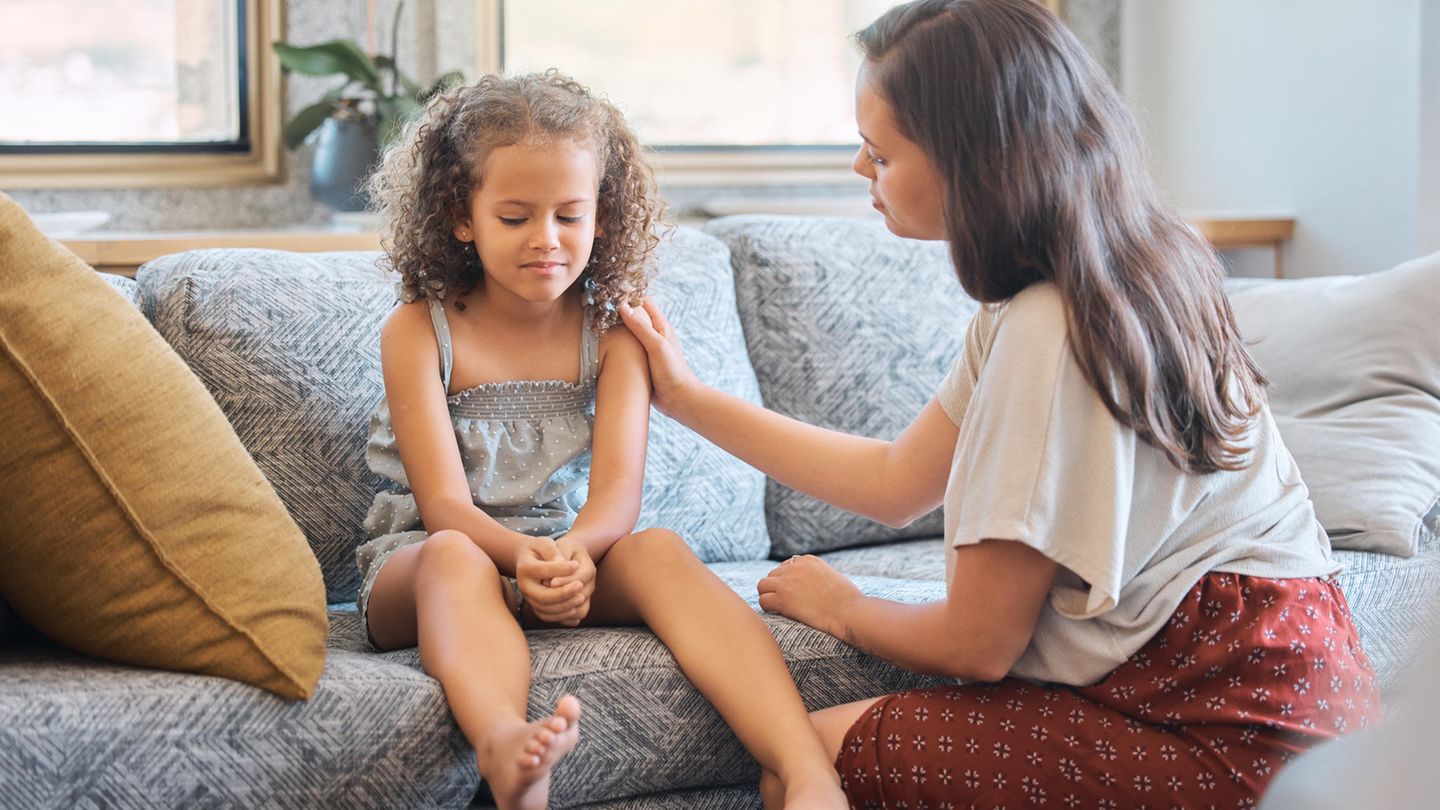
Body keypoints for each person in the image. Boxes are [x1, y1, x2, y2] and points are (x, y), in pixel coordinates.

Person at [618, 1, 1381, 805]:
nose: (859, 167)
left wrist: (846, 608)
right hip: (1305, 695)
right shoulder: (1127, 269)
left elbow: (978, 643)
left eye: (882, 152)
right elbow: (895, 482)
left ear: (974, 163)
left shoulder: (1050, 329)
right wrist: (687, 398)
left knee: (805, 762)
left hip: (1226, 733)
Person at [359, 71, 845, 810]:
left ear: (602, 217)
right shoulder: (418, 330)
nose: (546, 240)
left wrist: (574, 556)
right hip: (427, 564)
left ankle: (805, 768)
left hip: (562, 554)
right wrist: (524, 558)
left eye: (570, 215)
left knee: (658, 550)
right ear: (462, 216)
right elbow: (444, 506)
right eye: (515, 217)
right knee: (455, 555)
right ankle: (506, 749)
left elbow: (618, 491)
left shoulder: (613, 335)